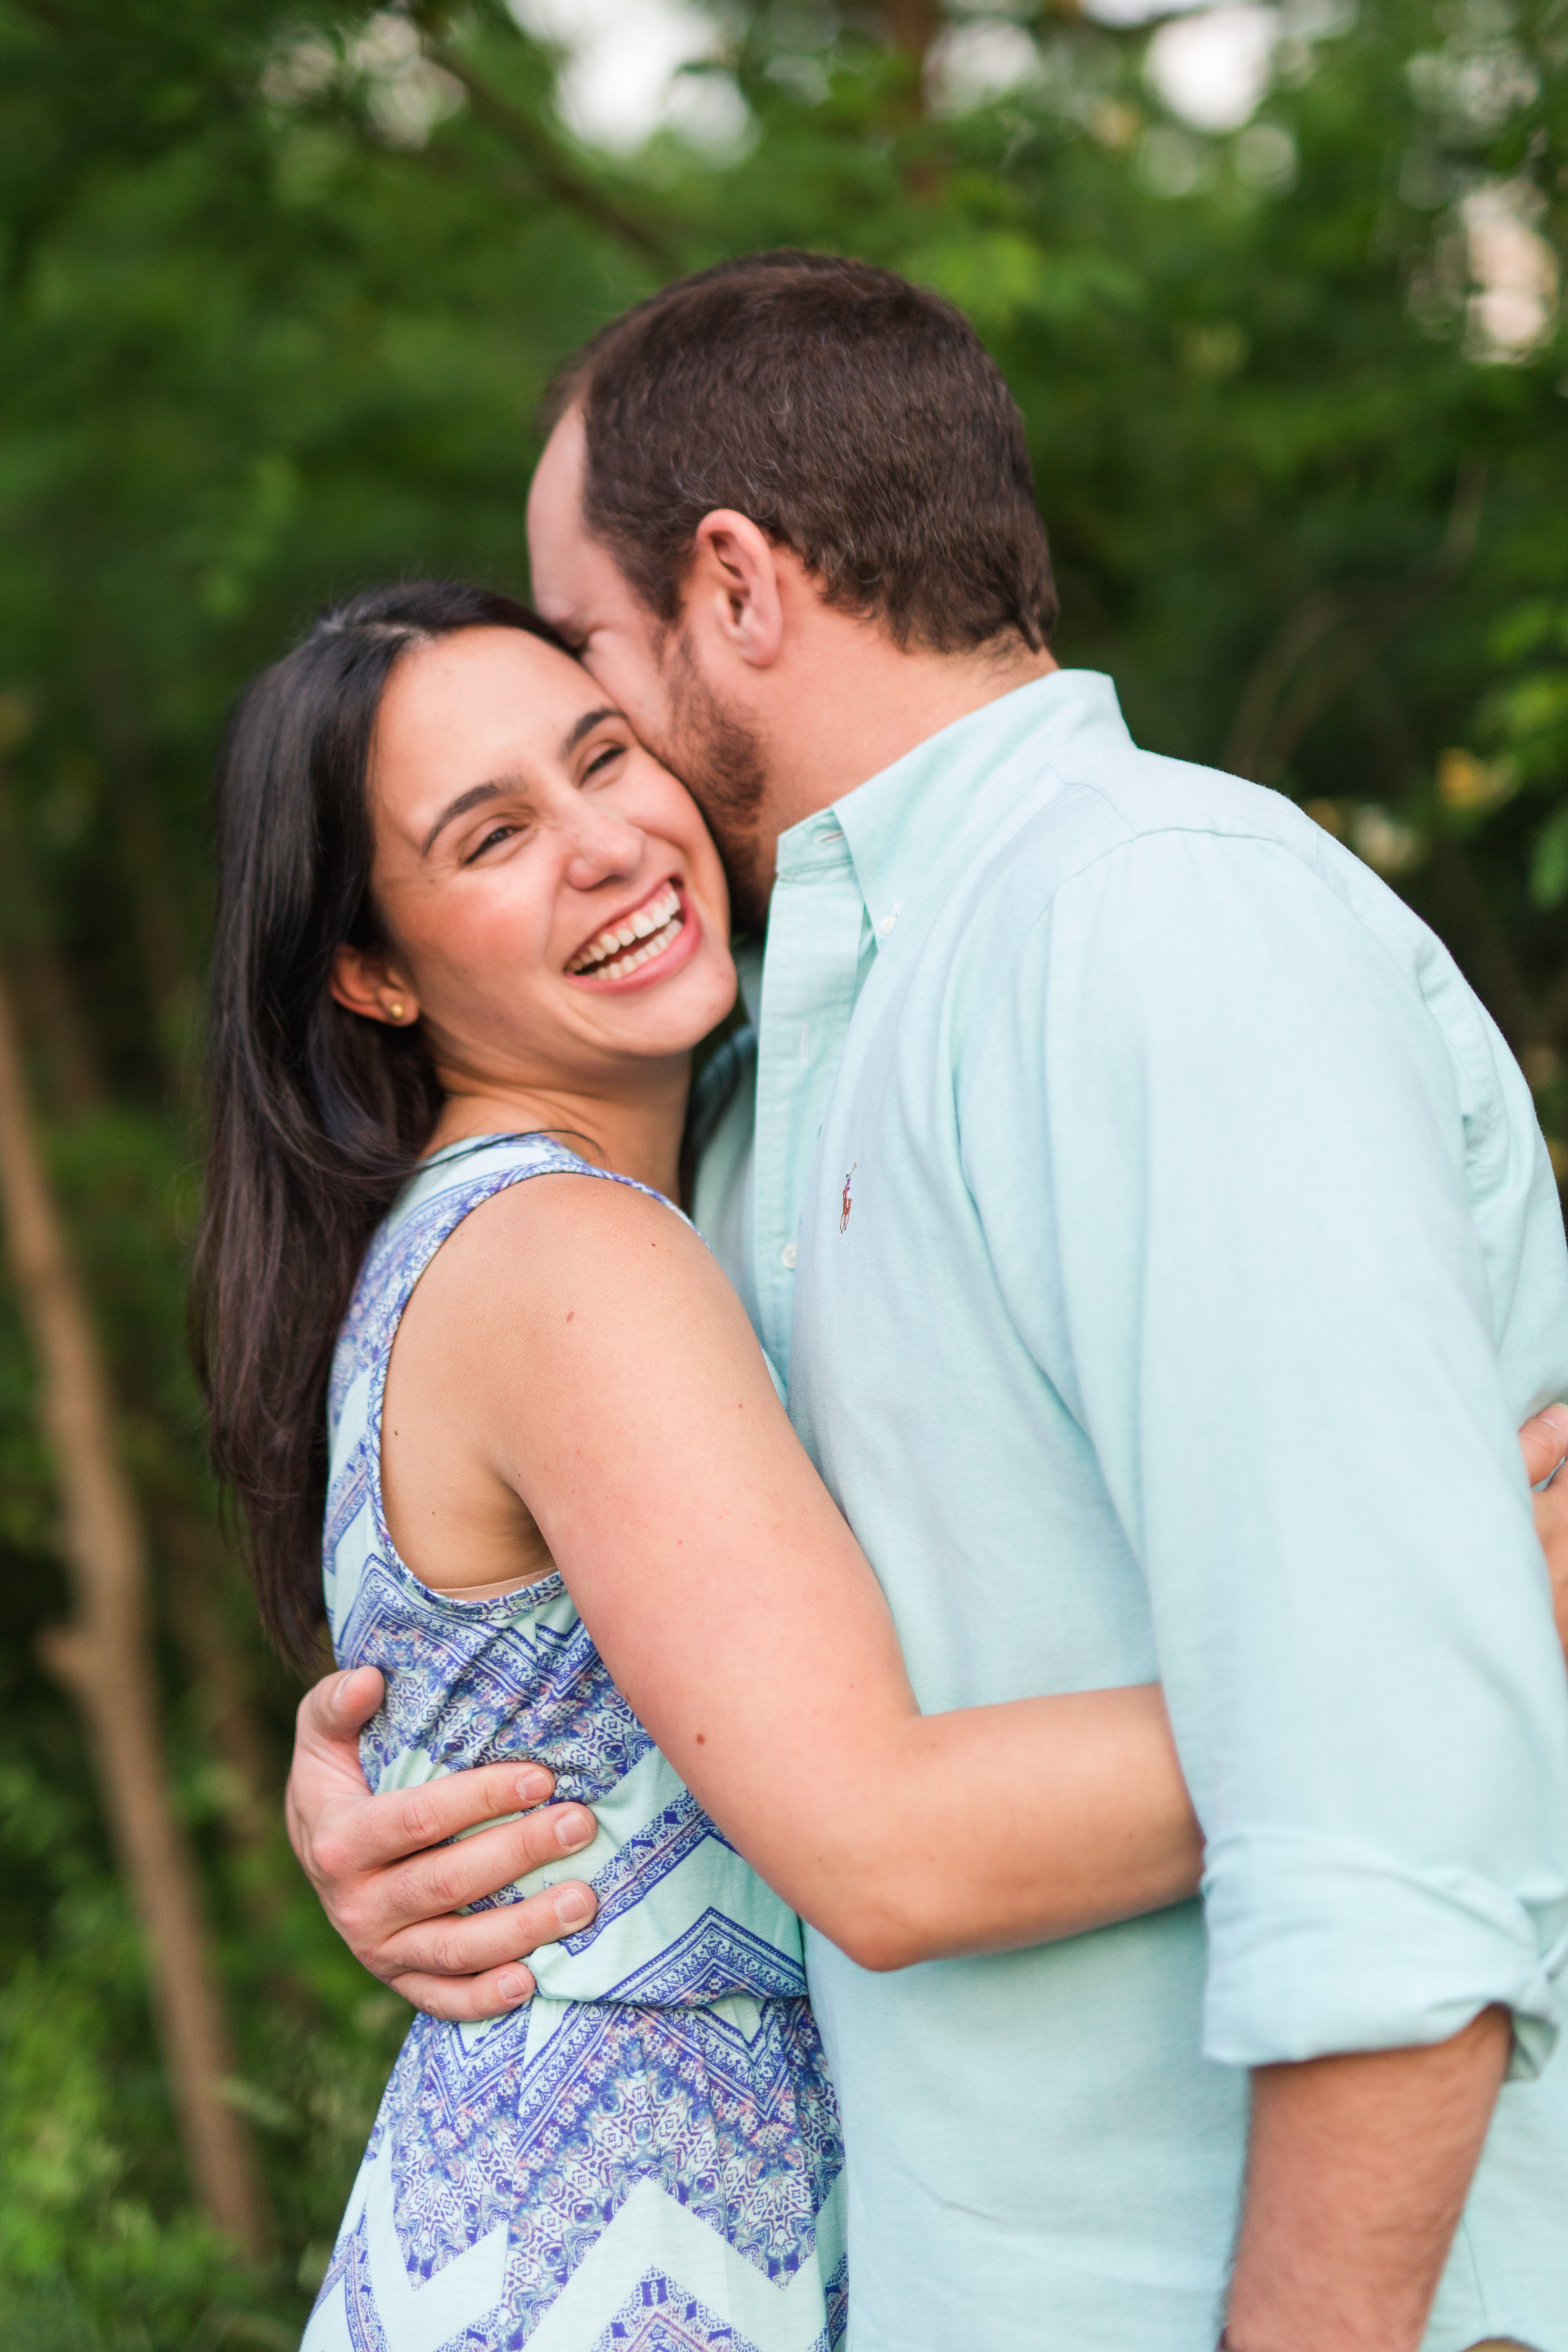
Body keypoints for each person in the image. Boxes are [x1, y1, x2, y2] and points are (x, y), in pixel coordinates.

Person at [282, 255, 1568, 2352]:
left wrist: (1423, 1692)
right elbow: (698, 1640)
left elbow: (1391, 1860)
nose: (617, 827)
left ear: (733, 590)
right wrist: (416, 1781)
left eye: (599, 694)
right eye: (506, 815)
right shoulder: (761, 1068)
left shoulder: (1151, 922)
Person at [201, 578, 1240, 2351]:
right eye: (495, 836)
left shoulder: (521, 1217)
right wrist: (1430, 1656)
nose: (606, 843)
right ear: (372, 971)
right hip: (630, 2267)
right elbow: (888, 1853)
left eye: (605, 755)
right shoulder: (567, 1253)